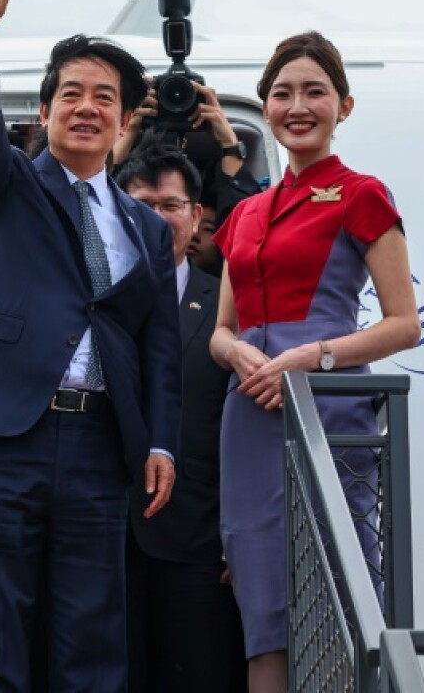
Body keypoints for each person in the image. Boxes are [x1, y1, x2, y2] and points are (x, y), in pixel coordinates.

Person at [0, 0, 182, 693]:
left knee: (92, 645)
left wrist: (160, 440)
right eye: (71, 94)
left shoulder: (148, 228)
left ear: (125, 120)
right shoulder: (9, 188)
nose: (87, 107)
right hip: (7, 436)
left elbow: (158, 344)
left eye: (103, 97)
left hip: (100, 445)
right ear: (48, 109)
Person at [208, 31, 421, 693]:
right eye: (282, 93)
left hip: (325, 402)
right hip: (249, 406)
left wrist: (314, 355)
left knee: (335, 571)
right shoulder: (243, 213)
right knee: (261, 584)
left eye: (314, 92)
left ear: (343, 107)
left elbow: (403, 324)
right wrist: (238, 351)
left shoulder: (362, 195)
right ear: (266, 108)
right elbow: (220, 330)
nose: (297, 105)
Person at [114, 149, 245, 693]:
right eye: (141, 203)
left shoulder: (226, 309)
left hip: (197, 539)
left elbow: (246, 430)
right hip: (100, 537)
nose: (157, 216)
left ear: (196, 219)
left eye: (171, 204)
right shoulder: (86, 298)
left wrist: (239, 535)